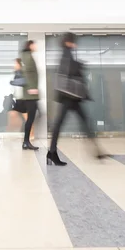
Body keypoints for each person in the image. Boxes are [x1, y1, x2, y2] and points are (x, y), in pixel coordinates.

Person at [47, 33, 105, 166]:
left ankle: (97, 151)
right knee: (63, 124)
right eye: (73, 41)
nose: (75, 44)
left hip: (71, 96)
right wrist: (79, 66)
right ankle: (51, 152)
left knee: (79, 123)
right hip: (70, 96)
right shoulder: (66, 54)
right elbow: (66, 71)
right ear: (68, 42)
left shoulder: (67, 54)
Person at [21, 41, 40, 150]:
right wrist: (31, 88)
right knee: (31, 118)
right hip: (30, 94)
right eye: (34, 44)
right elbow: (27, 72)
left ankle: (26, 141)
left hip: (31, 93)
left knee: (32, 117)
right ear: (30, 46)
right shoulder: (28, 56)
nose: (36, 46)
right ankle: (26, 142)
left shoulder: (27, 56)